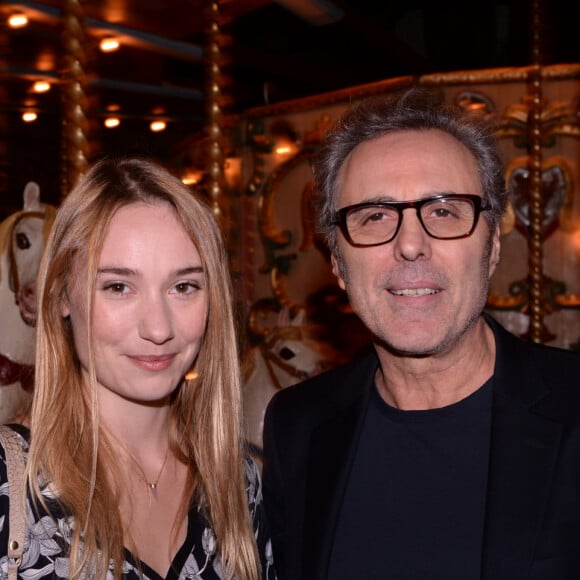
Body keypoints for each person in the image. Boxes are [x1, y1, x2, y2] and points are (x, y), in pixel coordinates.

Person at [262, 86, 580, 580]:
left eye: (443, 211)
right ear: (339, 264)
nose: (411, 245)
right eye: (374, 216)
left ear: (492, 245)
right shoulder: (297, 426)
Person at [0, 157, 276, 580]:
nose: (159, 327)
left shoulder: (236, 478)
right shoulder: (8, 484)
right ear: (60, 298)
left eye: (183, 286)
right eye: (118, 287)